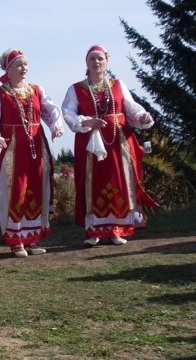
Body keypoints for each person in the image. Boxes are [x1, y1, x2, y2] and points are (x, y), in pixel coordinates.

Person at [62, 45, 158, 245]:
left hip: (118, 142)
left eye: (100, 59)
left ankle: (116, 229)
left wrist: (143, 116)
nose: (96, 62)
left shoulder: (118, 85)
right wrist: (86, 122)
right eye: (92, 59)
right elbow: (68, 113)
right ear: (86, 63)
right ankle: (94, 230)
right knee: (92, 182)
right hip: (91, 144)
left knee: (118, 182)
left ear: (106, 62)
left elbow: (131, 109)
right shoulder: (76, 88)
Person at [0, 49, 63, 257]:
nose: (24, 68)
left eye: (25, 64)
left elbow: (51, 110)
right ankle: (16, 240)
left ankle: (32, 237)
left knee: (36, 187)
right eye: (18, 65)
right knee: (15, 190)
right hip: (12, 149)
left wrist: (55, 126)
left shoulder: (36, 90)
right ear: (7, 70)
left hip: (36, 146)